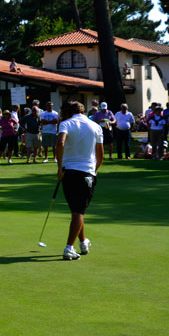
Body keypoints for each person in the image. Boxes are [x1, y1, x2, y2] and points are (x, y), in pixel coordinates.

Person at [55, 101, 103, 261]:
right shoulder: (95, 126)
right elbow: (100, 154)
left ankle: (83, 242)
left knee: (76, 209)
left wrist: (60, 167)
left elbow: (60, 143)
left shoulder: (66, 123)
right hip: (86, 173)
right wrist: (94, 171)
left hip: (68, 172)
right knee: (78, 211)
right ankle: (69, 248)